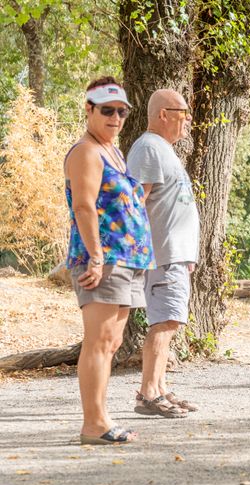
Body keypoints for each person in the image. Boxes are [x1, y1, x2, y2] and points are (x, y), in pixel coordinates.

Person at [65, 77, 153, 445]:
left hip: (128, 259)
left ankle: (102, 417)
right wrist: (97, 257)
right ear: (89, 109)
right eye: (107, 110)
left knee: (112, 341)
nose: (115, 117)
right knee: (98, 341)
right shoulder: (86, 151)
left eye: (121, 111)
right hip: (102, 259)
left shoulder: (112, 151)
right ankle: (93, 424)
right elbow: (84, 206)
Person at [127, 89, 201, 418]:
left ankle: (158, 387)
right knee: (164, 322)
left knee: (169, 321)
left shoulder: (164, 150)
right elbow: (135, 203)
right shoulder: (148, 148)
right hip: (163, 255)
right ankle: (147, 394)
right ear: (163, 114)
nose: (187, 119)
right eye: (182, 112)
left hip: (175, 256)